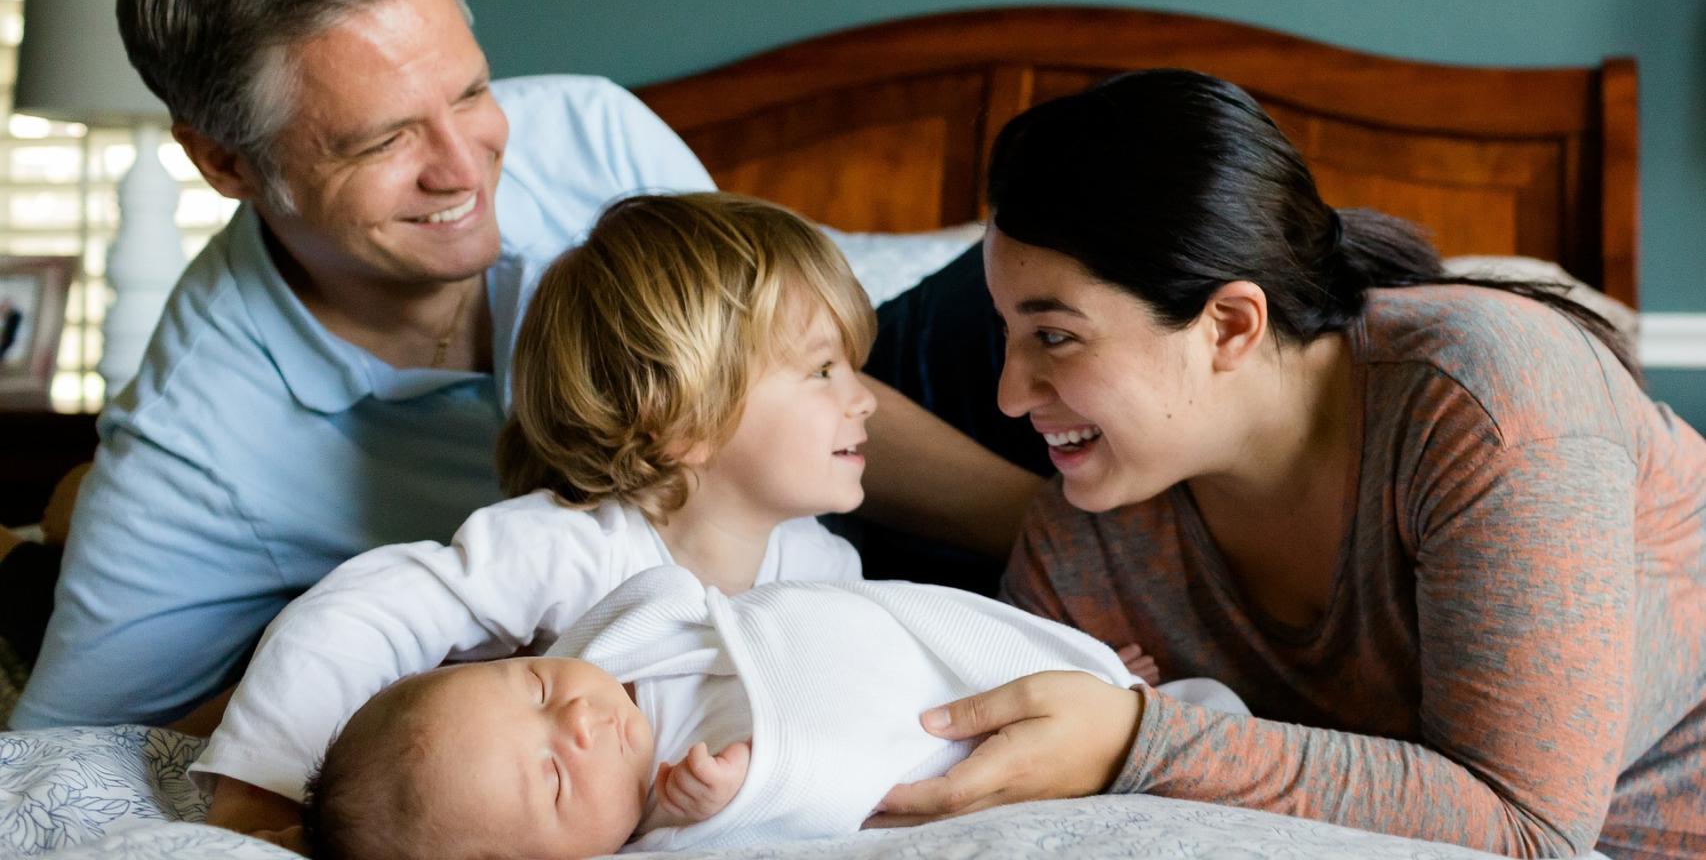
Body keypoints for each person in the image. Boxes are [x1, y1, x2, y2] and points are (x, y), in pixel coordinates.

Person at [5, 0, 1037, 737]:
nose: (466, 169)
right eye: (383, 141)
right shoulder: (195, 444)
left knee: (1048, 257)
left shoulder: (589, 132)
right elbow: (67, 755)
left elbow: (780, 381)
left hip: (827, 470)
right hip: (704, 592)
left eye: (470, 93)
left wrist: (1059, 534)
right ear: (226, 161)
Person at [190, 191, 1200, 848]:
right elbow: (366, 611)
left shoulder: (817, 567)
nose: (863, 401)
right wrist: (259, 797)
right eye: (822, 372)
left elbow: (895, 681)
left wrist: (1054, 668)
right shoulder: (566, 543)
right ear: (683, 418)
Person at [869, 70, 1706, 859]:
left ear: (1231, 325)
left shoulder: (1486, 400)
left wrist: (1137, 740)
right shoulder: (1081, 547)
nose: (1010, 395)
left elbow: (1530, 828)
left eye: (1055, 336)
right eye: (1007, 334)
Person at [293, 565, 1237, 860]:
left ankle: (1122, 698)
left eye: (536, 688)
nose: (578, 721)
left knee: (1161, 709)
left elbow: (678, 596)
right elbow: (816, 809)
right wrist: (738, 792)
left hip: (915, 652)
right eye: (550, 777)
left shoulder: (622, 648)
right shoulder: (669, 815)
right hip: (939, 742)